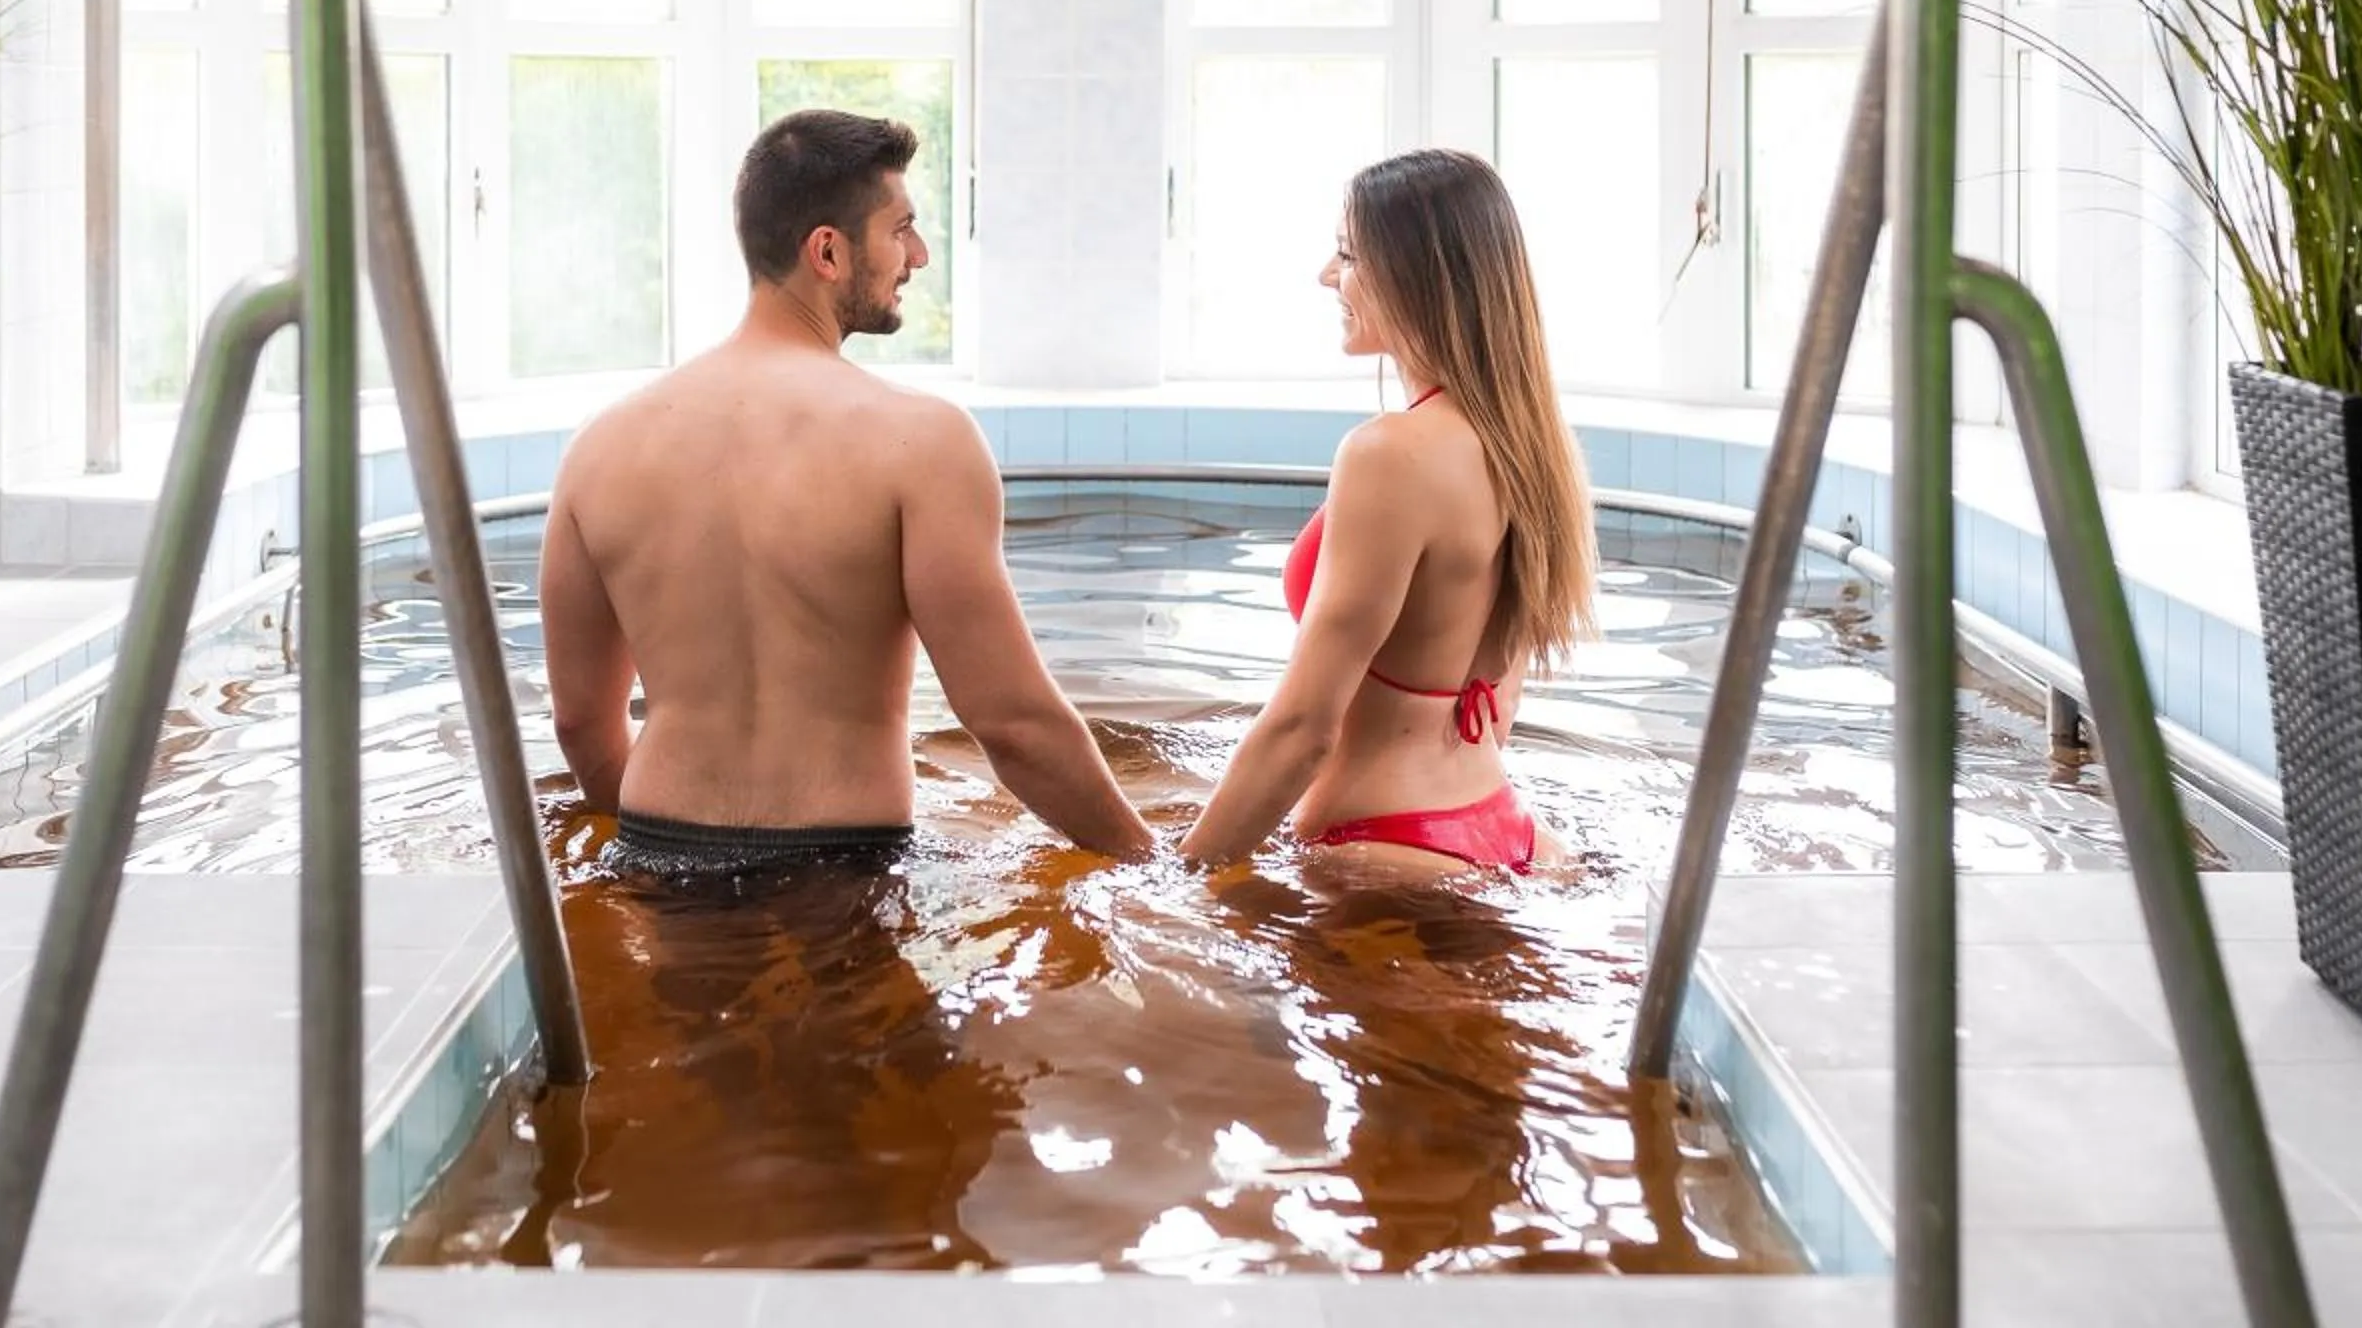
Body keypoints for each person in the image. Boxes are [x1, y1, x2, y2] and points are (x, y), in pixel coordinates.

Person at [538, 108, 1155, 875]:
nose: (920, 255)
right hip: (845, 869)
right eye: (902, 229)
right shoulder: (920, 441)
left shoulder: (600, 447)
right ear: (827, 251)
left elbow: (580, 723)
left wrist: (660, 852)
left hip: (656, 852)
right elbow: (1012, 722)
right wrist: (1149, 860)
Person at [1180, 149, 1599, 877]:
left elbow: (1304, 728)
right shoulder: (1531, 448)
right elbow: (1496, 711)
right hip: (1505, 828)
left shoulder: (1391, 452)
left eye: (1347, 255)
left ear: (1414, 275)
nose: (1327, 277)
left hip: (1384, 843)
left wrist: (1178, 878)